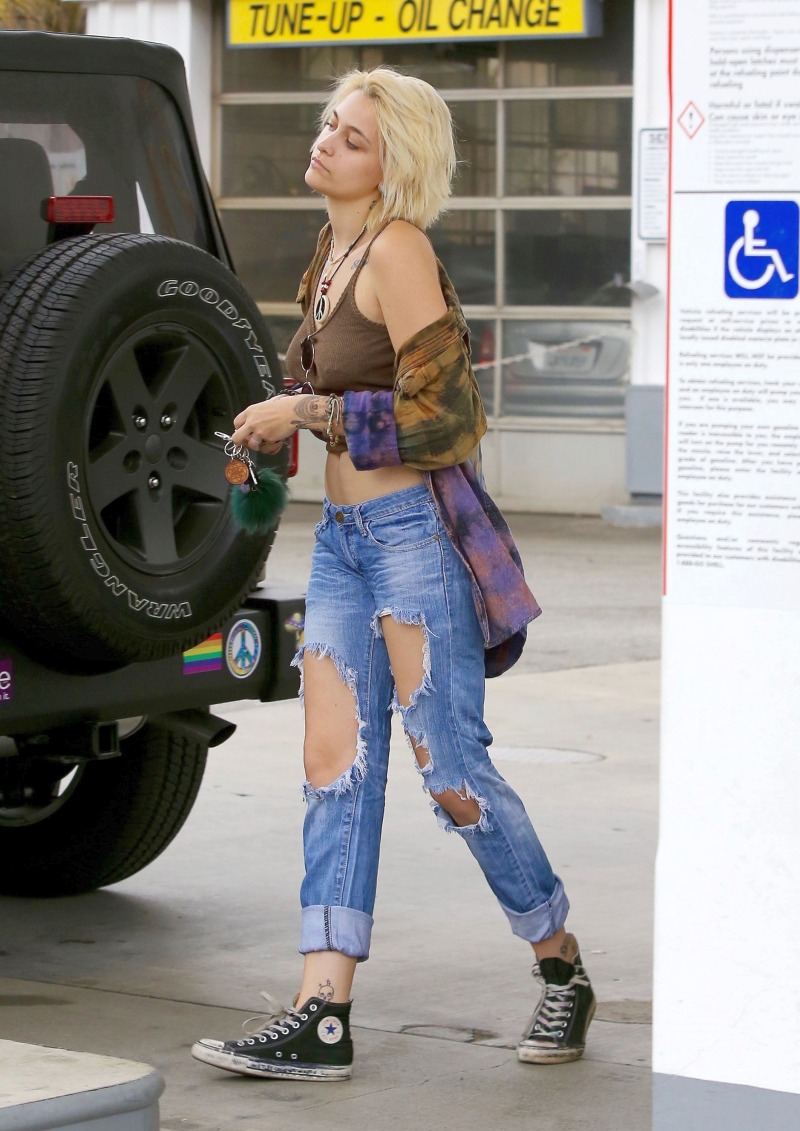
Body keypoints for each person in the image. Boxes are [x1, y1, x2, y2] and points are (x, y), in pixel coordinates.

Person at [191, 66, 595, 1082]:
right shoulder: (330, 252)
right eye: (329, 124)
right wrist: (273, 429)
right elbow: (338, 392)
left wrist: (305, 411)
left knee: (449, 772)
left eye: (353, 137)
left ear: (393, 164)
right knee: (334, 765)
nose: (326, 141)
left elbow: (447, 418)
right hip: (341, 542)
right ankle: (321, 1013)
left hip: (412, 540)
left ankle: (560, 965)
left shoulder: (398, 249)